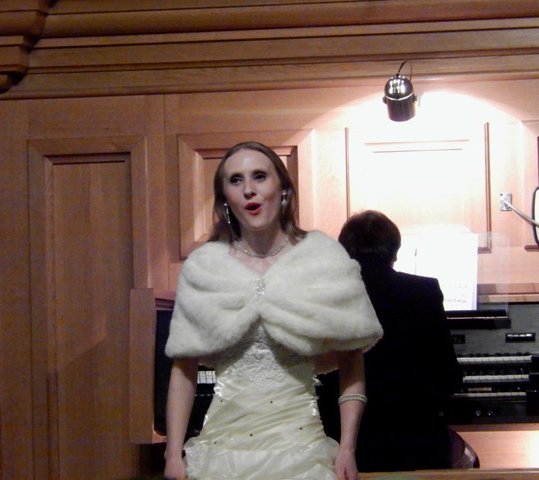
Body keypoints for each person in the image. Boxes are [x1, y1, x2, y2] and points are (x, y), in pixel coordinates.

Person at [163, 142, 383, 480]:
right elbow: (183, 368)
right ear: (225, 198)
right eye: (235, 180)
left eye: (260, 176)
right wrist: (172, 454)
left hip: (302, 451)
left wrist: (348, 448)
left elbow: (352, 360)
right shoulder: (204, 267)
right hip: (221, 454)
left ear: (283, 189)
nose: (248, 189)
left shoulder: (323, 257)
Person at [318, 210, 465, 472]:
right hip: (415, 441)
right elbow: (448, 378)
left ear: (344, 251)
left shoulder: (326, 294)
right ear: (394, 251)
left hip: (345, 439)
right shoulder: (424, 291)